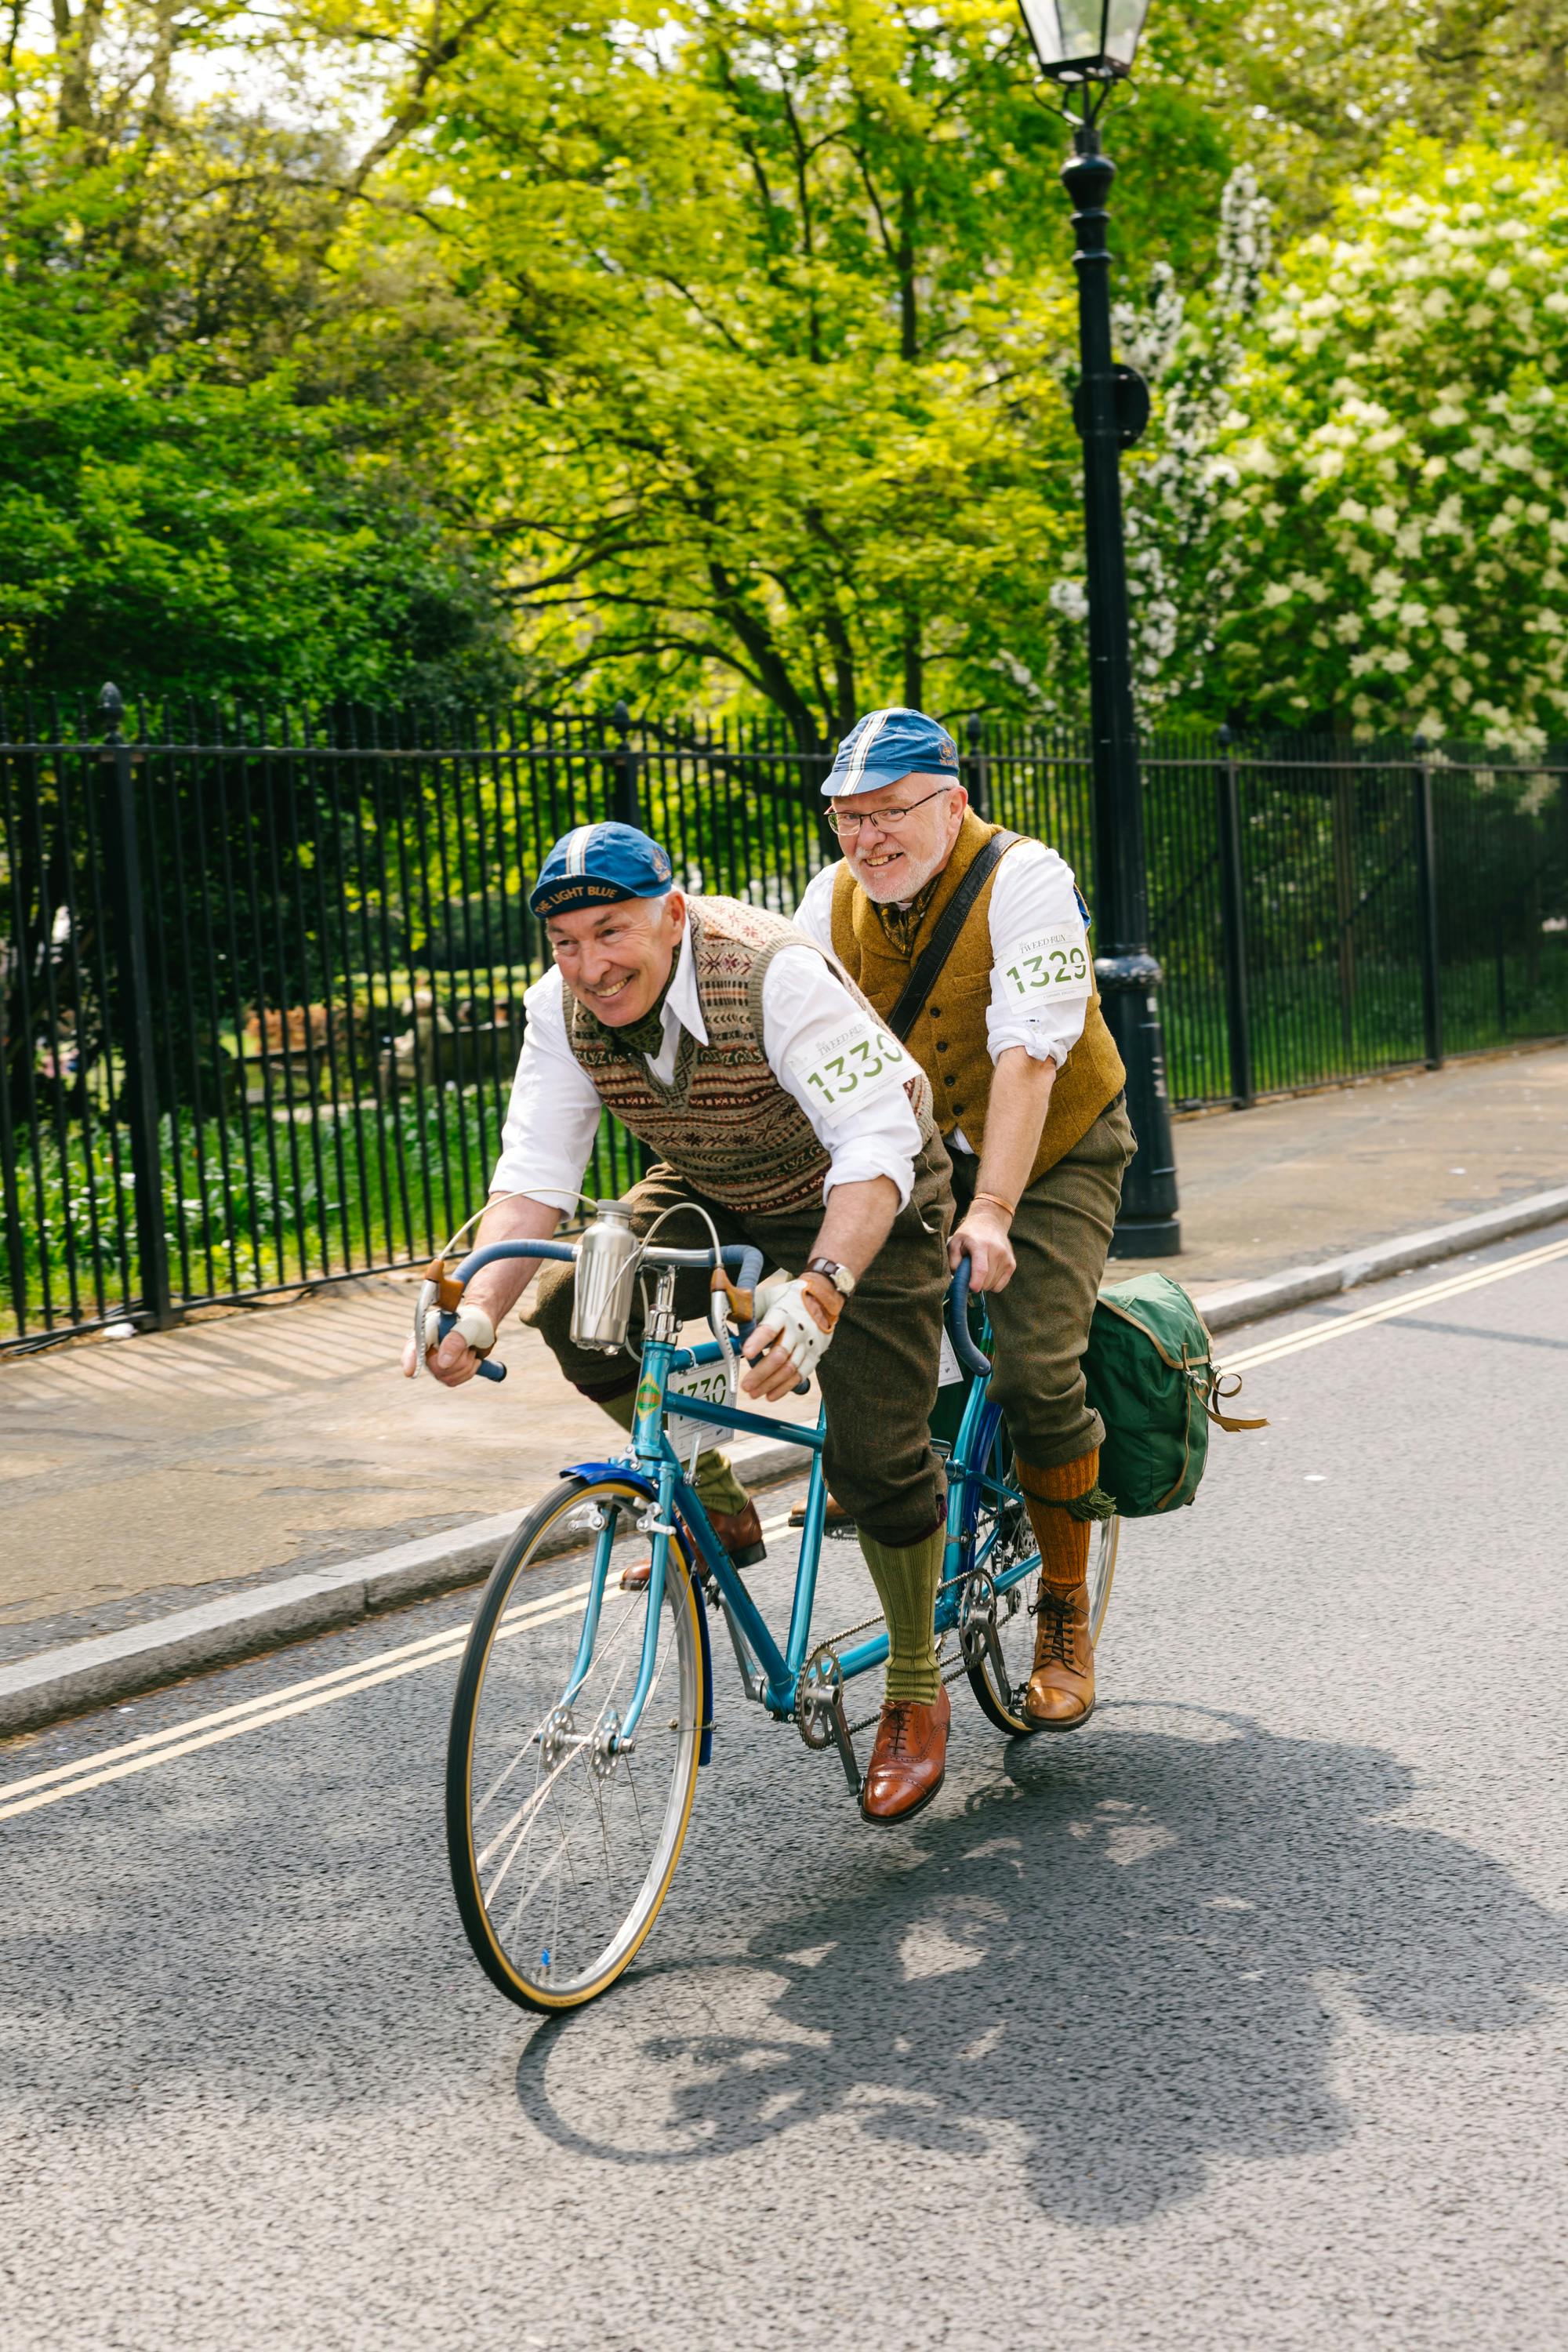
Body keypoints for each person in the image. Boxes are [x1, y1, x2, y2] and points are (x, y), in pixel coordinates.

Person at [405, 820, 959, 1824]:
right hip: (715, 1180)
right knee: (575, 1305)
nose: (589, 966)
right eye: (565, 944)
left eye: (610, 933)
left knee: (876, 1448)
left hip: (866, 1188)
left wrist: (821, 1292)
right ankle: (709, 1490)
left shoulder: (770, 976)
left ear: (671, 913)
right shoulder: (560, 1009)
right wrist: (476, 1309)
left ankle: (916, 1686)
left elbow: (874, 1145)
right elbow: (535, 1174)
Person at [793, 707, 1134, 1733]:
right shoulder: (828, 904)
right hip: (923, 1156)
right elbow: (808, 1066)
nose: (867, 840)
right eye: (848, 818)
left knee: (1033, 1368)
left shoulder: (1026, 881)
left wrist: (994, 1210)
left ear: (955, 803)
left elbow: (1029, 1056)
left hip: (1058, 1149)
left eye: (891, 813)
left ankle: (1065, 1611)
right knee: (875, 1342)